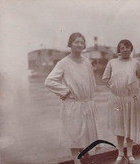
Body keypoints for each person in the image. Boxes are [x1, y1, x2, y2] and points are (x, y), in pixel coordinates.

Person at [45, 32, 98, 164]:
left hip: (86, 103)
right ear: (70, 44)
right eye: (76, 42)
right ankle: (77, 161)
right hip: (72, 105)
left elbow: (91, 82)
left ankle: (85, 156)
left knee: (85, 133)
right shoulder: (63, 63)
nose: (79, 45)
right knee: (74, 134)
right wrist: (66, 92)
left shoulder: (87, 62)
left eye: (81, 42)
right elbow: (49, 81)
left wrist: (90, 99)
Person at [102, 39, 140, 163]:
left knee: (130, 127)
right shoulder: (112, 62)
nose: (125, 50)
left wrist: (135, 88)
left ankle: (130, 154)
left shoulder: (135, 63)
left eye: (127, 47)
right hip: (117, 100)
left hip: (130, 99)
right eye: (122, 48)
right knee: (119, 128)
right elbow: (105, 79)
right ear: (119, 50)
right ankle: (120, 154)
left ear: (131, 49)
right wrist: (113, 88)